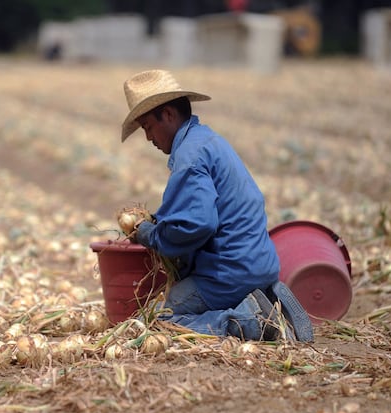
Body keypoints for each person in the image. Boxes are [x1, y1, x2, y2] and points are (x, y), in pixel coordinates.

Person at [121, 69, 313, 342]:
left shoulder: (189, 156)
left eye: (147, 127)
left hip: (230, 272)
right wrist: (159, 220)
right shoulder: (208, 140)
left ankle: (248, 321)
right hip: (260, 264)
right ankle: (265, 301)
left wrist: (149, 234)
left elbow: (196, 224)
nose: (148, 138)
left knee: (154, 320)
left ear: (167, 115)